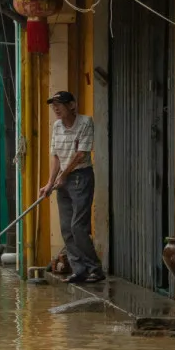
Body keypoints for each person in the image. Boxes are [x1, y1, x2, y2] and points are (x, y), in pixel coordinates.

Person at [39, 91, 103, 284]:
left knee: (78, 226)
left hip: (80, 177)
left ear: (72, 105)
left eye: (60, 104)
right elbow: (56, 156)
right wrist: (50, 183)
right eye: (53, 105)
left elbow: (80, 155)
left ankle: (95, 269)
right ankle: (79, 270)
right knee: (66, 228)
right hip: (62, 180)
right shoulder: (57, 126)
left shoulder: (85, 123)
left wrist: (64, 176)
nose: (56, 109)